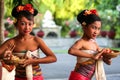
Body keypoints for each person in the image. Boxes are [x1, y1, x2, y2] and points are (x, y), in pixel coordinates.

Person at [0, 3, 57, 80]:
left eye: (30, 24)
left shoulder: (36, 40)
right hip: (18, 78)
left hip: (36, 78)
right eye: (23, 24)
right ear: (16, 25)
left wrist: (33, 61)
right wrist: (4, 56)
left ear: (33, 24)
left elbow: (53, 58)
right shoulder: (11, 42)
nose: (27, 27)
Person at [68, 9, 112, 80]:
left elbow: (104, 60)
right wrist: (91, 56)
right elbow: (71, 51)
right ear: (84, 27)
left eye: (98, 29)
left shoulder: (94, 43)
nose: (96, 32)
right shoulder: (81, 42)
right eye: (94, 28)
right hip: (79, 77)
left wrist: (108, 58)